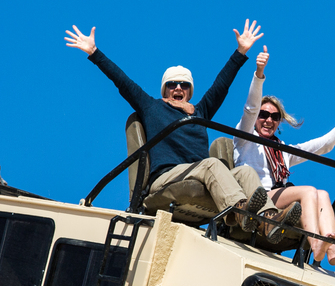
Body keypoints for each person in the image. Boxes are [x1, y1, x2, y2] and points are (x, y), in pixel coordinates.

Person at [64, 21, 298, 240]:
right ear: (165, 90)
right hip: (166, 178)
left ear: (190, 90)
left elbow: (221, 85)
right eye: (172, 84)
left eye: (184, 85)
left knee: (245, 172)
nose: (178, 88)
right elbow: (122, 82)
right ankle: (239, 211)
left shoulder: (200, 112)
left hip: (203, 174)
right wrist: (94, 53)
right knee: (213, 164)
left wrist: (240, 53)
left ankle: (268, 219)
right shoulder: (151, 107)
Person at [233, 45, 335, 264]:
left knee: (323, 194)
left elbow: (322, 145)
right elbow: (250, 108)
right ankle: (316, 245)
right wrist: (259, 74)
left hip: (278, 197)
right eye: (264, 114)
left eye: (274, 116)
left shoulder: (282, 150)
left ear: (279, 122)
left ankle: (333, 251)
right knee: (308, 192)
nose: (268, 119)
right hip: (256, 198)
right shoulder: (245, 139)